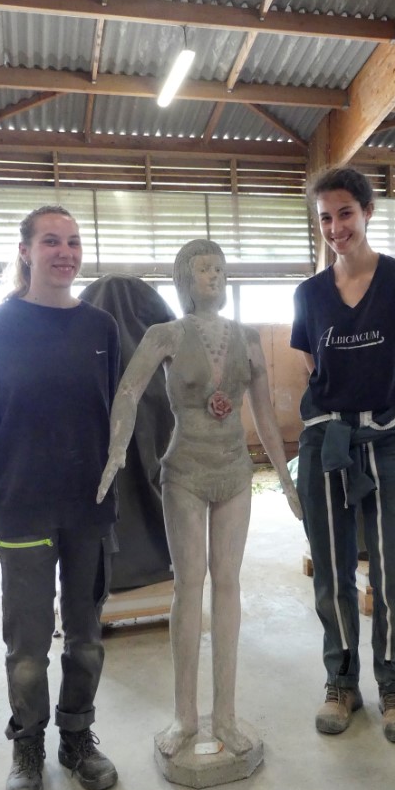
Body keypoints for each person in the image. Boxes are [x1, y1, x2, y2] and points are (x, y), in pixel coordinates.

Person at [97, 239, 302, 759]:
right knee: (189, 586)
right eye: (203, 268)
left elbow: (264, 417)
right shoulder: (165, 334)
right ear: (184, 279)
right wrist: (116, 450)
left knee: (228, 585)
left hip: (235, 471)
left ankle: (226, 716)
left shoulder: (248, 339)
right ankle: (185, 716)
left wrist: (285, 478)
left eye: (219, 268)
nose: (213, 275)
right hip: (185, 470)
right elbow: (127, 390)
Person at [0, 205, 121, 790]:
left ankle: (76, 737)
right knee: (28, 646)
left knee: (85, 638)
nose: (65, 252)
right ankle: (27, 743)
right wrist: (4, 485)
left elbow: (114, 413)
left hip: (89, 509)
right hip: (23, 508)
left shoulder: (101, 328)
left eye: (74, 242)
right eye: (51, 241)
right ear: (26, 250)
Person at [290, 167, 395, 744]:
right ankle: (342, 682)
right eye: (325, 217)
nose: (335, 227)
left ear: (368, 212)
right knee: (331, 571)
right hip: (328, 441)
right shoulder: (309, 294)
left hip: (393, 440)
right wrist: (344, 409)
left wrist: (375, 405)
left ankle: (394, 688)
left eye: (345, 213)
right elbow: (309, 363)